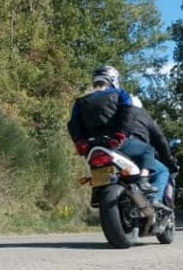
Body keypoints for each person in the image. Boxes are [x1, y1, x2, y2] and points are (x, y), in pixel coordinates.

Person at [66, 65, 161, 197]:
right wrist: (120, 134)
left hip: (91, 146)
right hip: (113, 141)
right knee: (148, 150)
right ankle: (144, 181)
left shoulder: (80, 101)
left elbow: (73, 124)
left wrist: (79, 141)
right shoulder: (121, 93)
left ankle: (98, 190)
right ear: (113, 79)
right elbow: (129, 113)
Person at [127, 97, 179, 205]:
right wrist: (169, 160)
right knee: (162, 171)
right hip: (136, 152)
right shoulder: (142, 114)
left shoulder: (116, 116)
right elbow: (160, 138)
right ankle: (154, 201)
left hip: (115, 151)